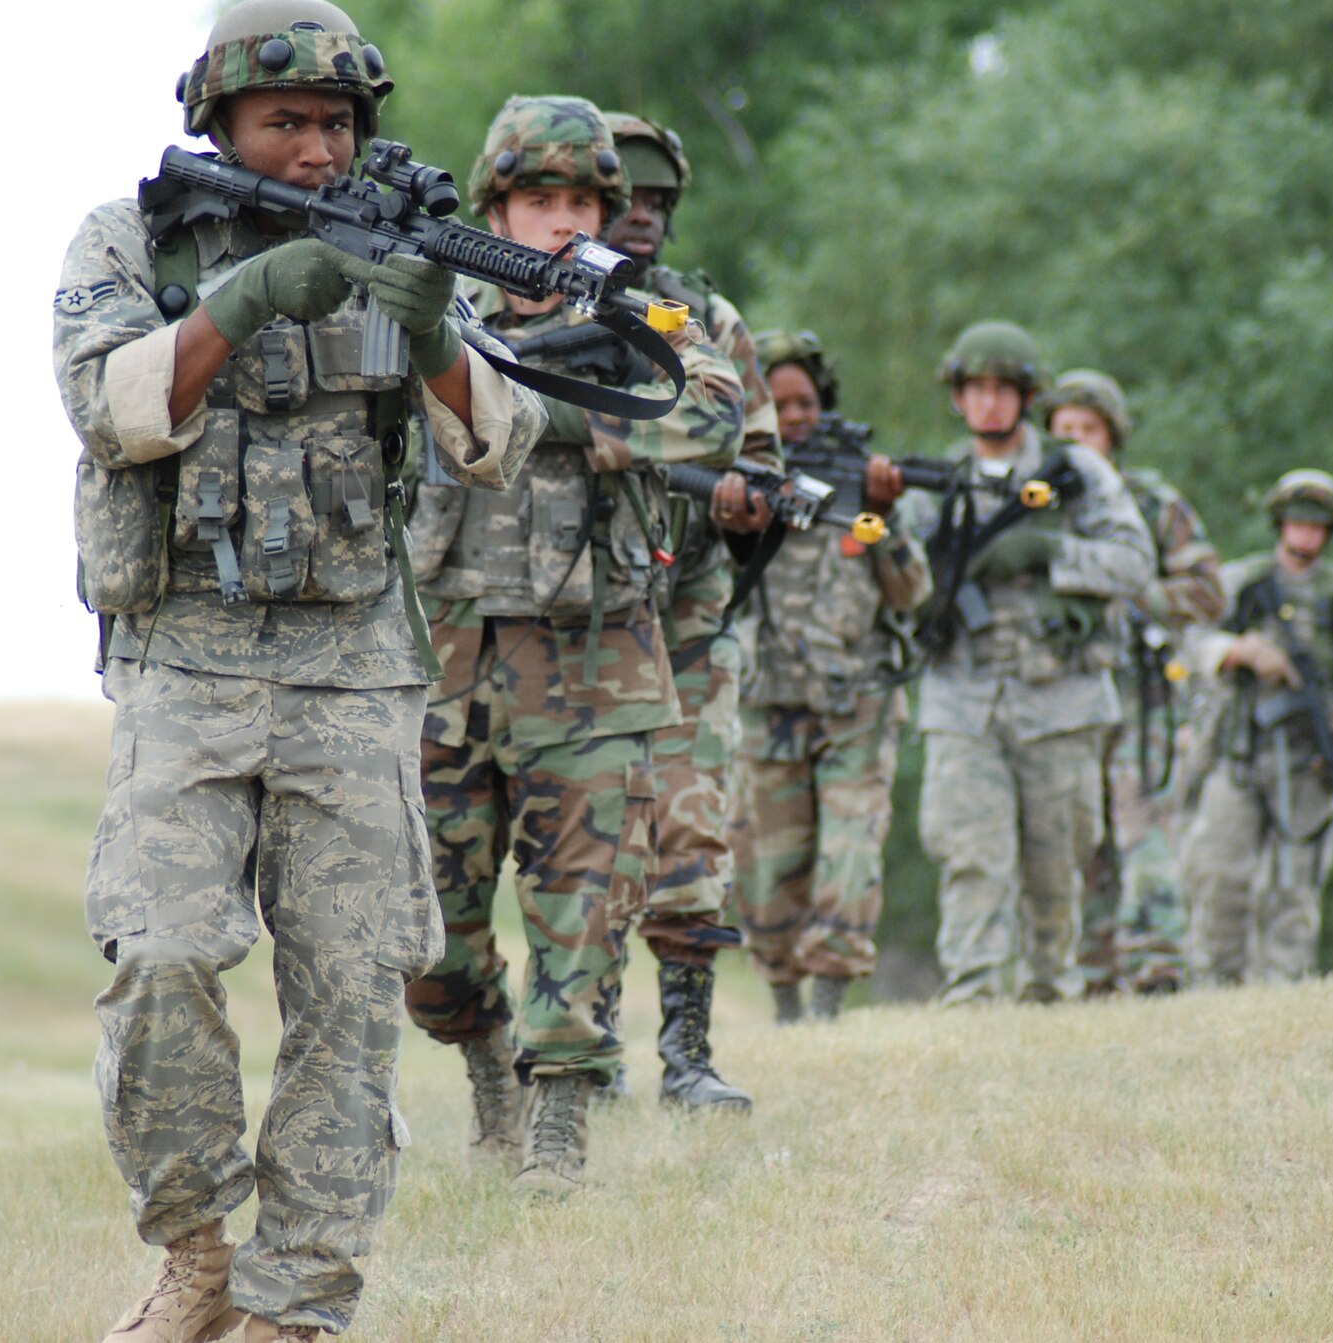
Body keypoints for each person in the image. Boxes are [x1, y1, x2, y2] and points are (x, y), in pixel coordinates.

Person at [53, 2, 546, 1338]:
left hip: (352, 675)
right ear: (220, 126)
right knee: (157, 955)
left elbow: (505, 442)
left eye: (337, 124)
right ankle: (197, 1248)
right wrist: (247, 298)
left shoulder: (403, 235)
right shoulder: (134, 239)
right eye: (287, 124)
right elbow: (110, 405)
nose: (319, 151)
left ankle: (298, 1302)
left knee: (351, 1001)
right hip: (186, 669)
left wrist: (434, 329)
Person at [399, 95, 745, 1196]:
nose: (558, 222)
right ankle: (487, 1062)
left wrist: (548, 414)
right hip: (443, 657)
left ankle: (556, 1121)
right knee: (430, 939)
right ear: (493, 204)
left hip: (593, 659)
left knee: (581, 911)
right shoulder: (429, 310)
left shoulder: (657, 317)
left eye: (581, 202)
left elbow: (710, 414)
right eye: (535, 199)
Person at [596, 110, 778, 1109]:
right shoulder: (521, 301)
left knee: (690, 835)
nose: (644, 218)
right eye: (626, 197)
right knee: (585, 843)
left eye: (660, 202)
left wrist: (745, 499)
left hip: (688, 616)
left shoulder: (704, 319)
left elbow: (759, 454)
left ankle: (686, 1055)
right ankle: (580, 1050)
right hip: (574, 616)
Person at [906, 322, 1153, 1005]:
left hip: (1062, 700)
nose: (989, 403)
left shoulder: (1077, 472)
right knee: (971, 858)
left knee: (1056, 871)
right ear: (957, 397)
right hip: (962, 699)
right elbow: (900, 585)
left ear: (1027, 397)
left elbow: (1136, 564)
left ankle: (1050, 998)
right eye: (975, 389)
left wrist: (1051, 554)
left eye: (1003, 389)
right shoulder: (933, 482)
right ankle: (973, 1000)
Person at [732, 330, 933, 1022]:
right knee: (767, 864)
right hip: (766, 699)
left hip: (859, 700)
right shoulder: (733, 478)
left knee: (850, 853)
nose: (794, 417)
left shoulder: (858, 486)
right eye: (778, 404)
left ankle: (828, 1006)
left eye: (806, 402)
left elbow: (910, 591)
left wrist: (883, 513)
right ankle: (787, 1006)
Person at [1037, 369, 1224, 992]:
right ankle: (1091, 973)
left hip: (1141, 697)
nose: (1076, 441)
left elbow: (1207, 593)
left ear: (1113, 436)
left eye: (1088, 430)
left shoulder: (1151, 503)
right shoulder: (1034, 502)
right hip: (1060, 693)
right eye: (1063, 431)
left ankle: (1158, 967)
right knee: (1080, 838)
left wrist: (1132, 589)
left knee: (1145, 833)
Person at [1179, 470, 1333, 985]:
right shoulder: (1241, 583)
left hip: (1306, 766)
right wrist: (1237, 651)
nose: (1305, 537)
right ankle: (1213, 991)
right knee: (1219, 879)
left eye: (1317, 527)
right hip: (1239, 754)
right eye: (1297, 524)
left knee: (1294, 891)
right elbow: (1188, 636)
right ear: (1280, 524)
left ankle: (1284, 991)